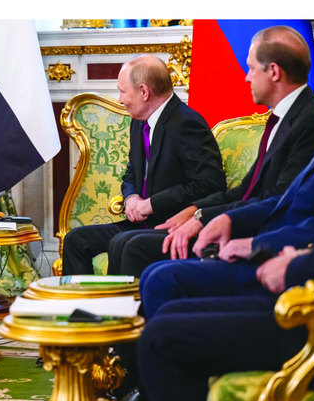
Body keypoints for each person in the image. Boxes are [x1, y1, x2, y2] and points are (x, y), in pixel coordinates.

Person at [136, 35, 314, 401]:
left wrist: (269, 251)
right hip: (288, 262)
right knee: (160, 297)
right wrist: (224, 219)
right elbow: (296, 206)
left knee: (161, 316)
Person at [107, 26, 314, 277]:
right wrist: (195, 210)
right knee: (123, 242)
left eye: (251, 68)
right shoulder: (284, 117)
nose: (246, 77)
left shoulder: (310, 120)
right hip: (238, 220)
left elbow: (281, 197)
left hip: (261, 234)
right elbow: (245, 190)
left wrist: (204, 217)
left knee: (134, 247)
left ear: (273, 72)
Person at [61, 54, 226, 275]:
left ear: (144, 92)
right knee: (76, 239)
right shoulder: (139, 122)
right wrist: (131, 198)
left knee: (122, 242)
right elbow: (132, 171)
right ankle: (84, 298)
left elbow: (209, 185)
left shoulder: (187, 123)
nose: (120, 100)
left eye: (123, 91)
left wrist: (151, 204)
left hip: (172, 224)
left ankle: (122, 299)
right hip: (142, 224)